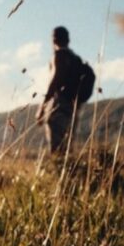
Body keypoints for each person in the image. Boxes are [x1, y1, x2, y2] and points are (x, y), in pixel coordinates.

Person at [36, 26, 83, 156]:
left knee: (56, 146)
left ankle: (59, 171)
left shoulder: (59, 55)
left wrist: (42, 106)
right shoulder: (76, 59)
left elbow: (55, 79)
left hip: (59, 104)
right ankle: (68, 172)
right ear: (68, 40)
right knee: (68, 145)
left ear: (54, 40)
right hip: (74, 106)